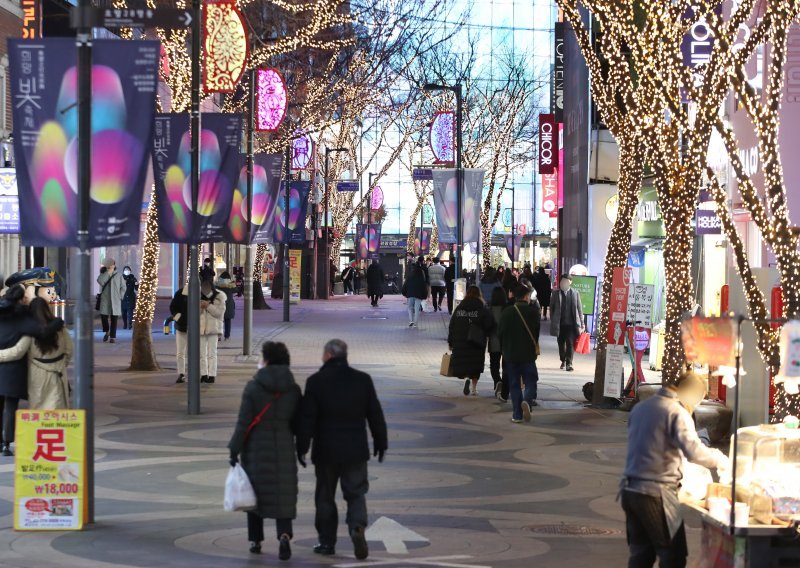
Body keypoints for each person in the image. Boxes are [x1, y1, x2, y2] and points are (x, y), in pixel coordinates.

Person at [621, 371, 730, 567]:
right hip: (657, 495)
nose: (695, 406)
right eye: (698, 400)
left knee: (641, 555)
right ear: (692, 393)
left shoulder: (641, 408)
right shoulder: (676, 412)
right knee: (673, 556)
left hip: (630, 491)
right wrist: (719, 459)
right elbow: (694, 452)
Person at [297, 339, 388, 560]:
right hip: (355, 450)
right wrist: (380, 441)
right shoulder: (362, 380)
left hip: (326, 451)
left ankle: (327, 542)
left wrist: (301, 446)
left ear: (328, 355)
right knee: (356, 493)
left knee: (325, 496)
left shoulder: (315, 382)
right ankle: (357, 527)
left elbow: (307, 418)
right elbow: (374, 414)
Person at [228, 341, 302, 561]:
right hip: (284, 448)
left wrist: (234, 449)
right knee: (284, 494)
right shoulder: (293, 389)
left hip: (255, 450)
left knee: (255, 496)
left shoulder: (253, 387)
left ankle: (256, 540)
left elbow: (243, 423)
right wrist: (302, 446)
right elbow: (299, 423)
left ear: (267, 359)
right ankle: (284, 536)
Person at [0, 285, 64, 456]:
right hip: (12, 368)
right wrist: (58, 322)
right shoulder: (21, 315)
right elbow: (42, 331)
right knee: (10, 406)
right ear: (22, 299)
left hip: (6, 362)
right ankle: (6, 443)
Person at [0, 298, 73, 410]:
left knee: (40, 410)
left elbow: (17, 352)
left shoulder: (31, 332)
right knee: (58, 408)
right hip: (59, 372)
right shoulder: (61, 329)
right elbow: (69, 350)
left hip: (37, 375)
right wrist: (62, 363)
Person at [498, 285, 541, 423]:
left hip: (510, 354)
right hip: (528, 355)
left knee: (514, 384)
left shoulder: (507, 312)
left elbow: (500, 333)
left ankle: (517, 414)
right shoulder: (533, 312)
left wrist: (504, 348)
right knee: (530, 381)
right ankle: (527, 401)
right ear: (526, 296)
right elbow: (536, 333)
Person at [449, 286, 496, 397]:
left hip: (460, 341)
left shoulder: (460, 308)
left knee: (464, 362)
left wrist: (451, 341)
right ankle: (474, 388)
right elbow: (490, 324)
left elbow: (452, 325)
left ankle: (466, 378)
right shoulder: (482, 308)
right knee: (475, 364)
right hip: (477, 341)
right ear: (479, 294)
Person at [550, 274, 585, 372]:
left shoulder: (575, 293)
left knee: (570, 343)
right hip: (560, 324)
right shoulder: (556, 293)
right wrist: (553, 319)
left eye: (566, 281)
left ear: (570, 282)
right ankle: (563, 359)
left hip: (571, 324)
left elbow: (579, 308)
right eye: (563, 281)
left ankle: (569, 363)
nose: (564, 283)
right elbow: (551, 307)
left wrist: (582, 322)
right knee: (561, 343)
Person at [200, 275, 226, 383]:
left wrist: (208, 306)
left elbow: (219, 313)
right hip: (201, 328)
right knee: (201, 353)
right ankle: (203, 374)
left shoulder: (219, 297)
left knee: (212, 353)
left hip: (213, 328)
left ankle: (212, 374)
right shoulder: (198, 297)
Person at [97, 258, 126, 344]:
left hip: (115, 299)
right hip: (105, 299)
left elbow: (123, 287)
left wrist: (120, 296)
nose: (111, 265)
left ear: (114, 265)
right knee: (103, 317)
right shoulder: (103, 274)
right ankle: (107, 331)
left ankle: (112, 337)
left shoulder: (119, 275)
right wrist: (108, 272)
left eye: (112, 264)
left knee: (114, 319)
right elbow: (100, 281)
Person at [488, 287, 508, 401]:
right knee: (506, 366)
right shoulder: (508, 308)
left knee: (494, 364)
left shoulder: (490, 309)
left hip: (494, 341)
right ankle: (504, 387)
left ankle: (497, 381)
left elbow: (486, 325)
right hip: (506, 342)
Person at [169, 284, 189, 384]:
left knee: (196, 352)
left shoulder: (201, 294)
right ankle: (181, 373)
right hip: (181, 327)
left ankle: (199, 373)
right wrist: (179, 318)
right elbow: (172, 307)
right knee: (180, 352)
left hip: (196, 328)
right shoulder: (180, 293)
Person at [402, 257, 429, 327]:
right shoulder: (421, 278)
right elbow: (424, 287)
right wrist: (425, 295)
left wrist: (404, 292)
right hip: (419, 295)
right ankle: (415, 323)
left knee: (410, 307)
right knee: (417, 309)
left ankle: (411, 321)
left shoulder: (410, 276)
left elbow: (405, 284)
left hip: (410, 294)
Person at [216, 271, 237, 341]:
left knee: (219, 321)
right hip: (229, 305)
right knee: (228, 321)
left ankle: (219, 336)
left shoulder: (218, 284)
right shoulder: (230, 284)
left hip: (219, 303)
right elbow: (236, 290)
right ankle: (227, 336)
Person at [120, 266, 138, 330]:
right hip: (123, 298)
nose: (127, 271)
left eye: (128, 270)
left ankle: (130, 324)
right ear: (123, 271)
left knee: (130, 312)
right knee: (123, 313)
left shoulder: (133, 278)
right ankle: (125, 323)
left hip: (130, 298)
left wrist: (136, 284)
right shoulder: (121, 278)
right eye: (125, 270)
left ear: (130, 271)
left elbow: (137, 288)